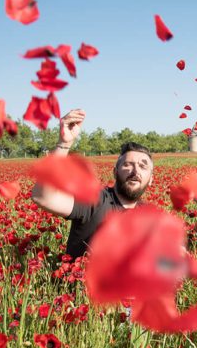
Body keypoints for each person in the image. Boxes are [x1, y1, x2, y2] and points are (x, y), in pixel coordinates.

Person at [31, 109, 153, 259]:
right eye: (128, 164)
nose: (135, 171)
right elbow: (43, 197)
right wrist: (64, 143)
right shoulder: (94, 200)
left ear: (151, 178)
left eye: (143, 166)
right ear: (115, 172)